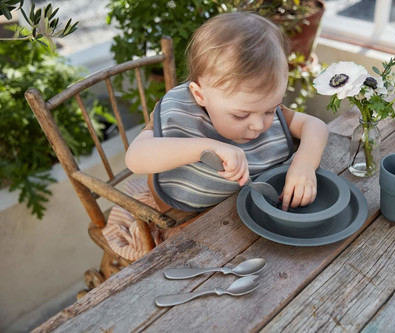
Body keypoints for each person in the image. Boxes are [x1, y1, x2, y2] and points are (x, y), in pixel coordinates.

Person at [125, 11, 329, 213]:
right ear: (200, 95)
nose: (259, 125)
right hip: (186, 219)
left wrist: (304, 165)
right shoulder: (178, 112)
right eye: (241, 115)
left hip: (243, 210)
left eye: (270, 110)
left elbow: (315, 126)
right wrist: (206, 148)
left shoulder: (255, 106)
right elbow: (135, 159)